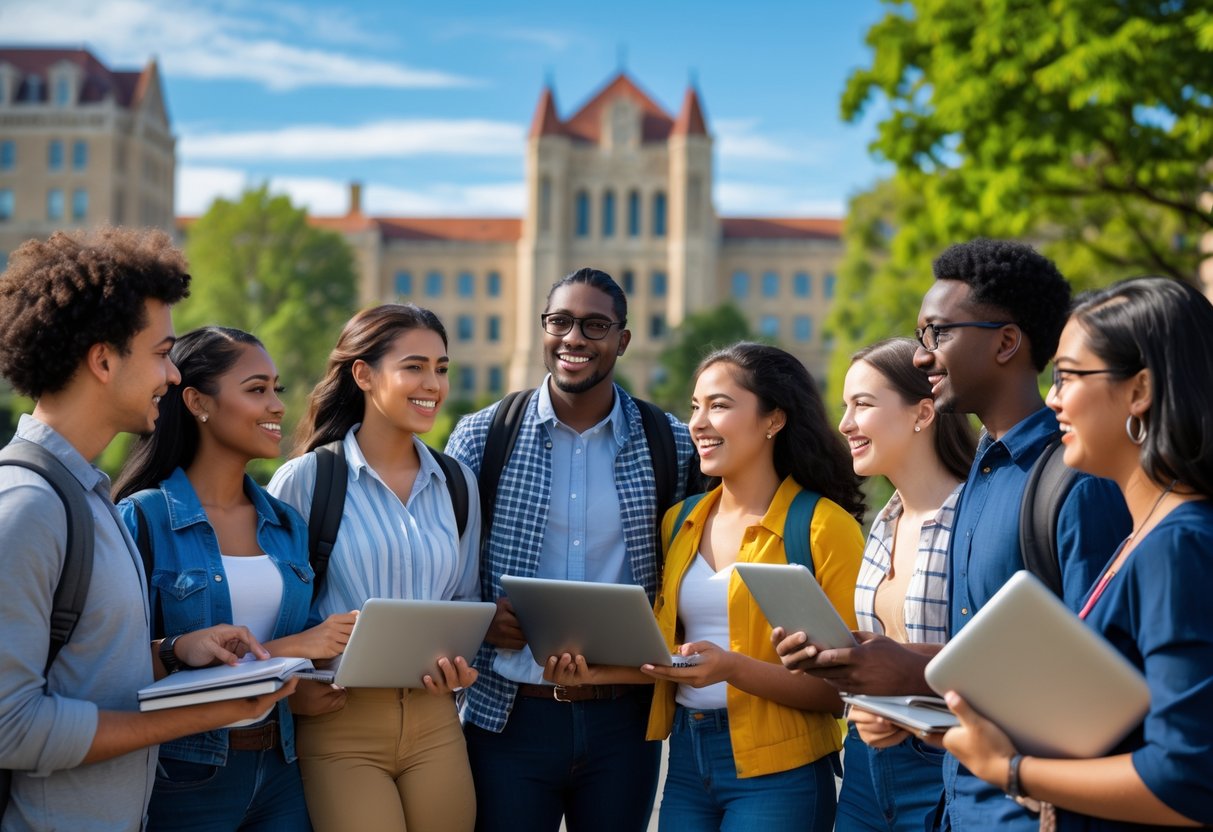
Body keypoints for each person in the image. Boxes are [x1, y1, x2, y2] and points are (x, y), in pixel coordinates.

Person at [775, 239, 1130, 831]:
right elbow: (974, 658)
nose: (921, 356)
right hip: (958, 804)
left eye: (937, 333)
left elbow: (1099, 685)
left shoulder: (1076, 482)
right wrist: (868, 664)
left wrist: (913, 672)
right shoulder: (980, 481)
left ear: (1006, 343)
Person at [0, 228, 295, 832]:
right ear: (104, 359)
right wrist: (200, 713)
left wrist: (172, 654)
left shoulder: (90, 498)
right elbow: (11, 726)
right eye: (161, 353)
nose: (169, 375)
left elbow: (83, 669)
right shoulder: (28, 505)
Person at [941, 276, 1213, 829]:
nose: (1051, 397)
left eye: (1068, 376)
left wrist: (1012, 769)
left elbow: (1185, 780)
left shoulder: (1179, 546)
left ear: (1140, 391)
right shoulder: (1146, 536)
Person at [444, 267, 696, 832]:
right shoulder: (482, 437)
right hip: (508, 717)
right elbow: (445, 570)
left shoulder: (671, 443)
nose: (574, 338)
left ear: (622, 341)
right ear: (542, 329)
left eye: (595, 325)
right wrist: (482, 622)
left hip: (623, 723)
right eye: (560, 321)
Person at [111, 326, 358, 831]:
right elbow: (111, 664)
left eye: (276, 389)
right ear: (198, 401)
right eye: (256, 389)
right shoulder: (143, 517)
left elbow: (300, 646)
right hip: (184, 773)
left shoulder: (286, 524)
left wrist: (309, 681)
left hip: (281, 767)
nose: (276, 407)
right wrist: (298, 645)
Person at [267, 303, 481, 832]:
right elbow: (270, 618)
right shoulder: (305, 481)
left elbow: (461, 599)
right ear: (363, 374)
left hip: (436, 721)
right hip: (340, 723)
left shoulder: (457, 484)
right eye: (414, 366)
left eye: (442, 367)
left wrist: (460, 664)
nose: (432, 383)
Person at [832, 338, 975, 832]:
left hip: (946, 769)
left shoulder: (971, 520)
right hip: (866, 771)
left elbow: (990, 662)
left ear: (922, 413)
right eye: (844, 407)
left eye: (862, 405)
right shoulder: (883, 523)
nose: (845, 424)